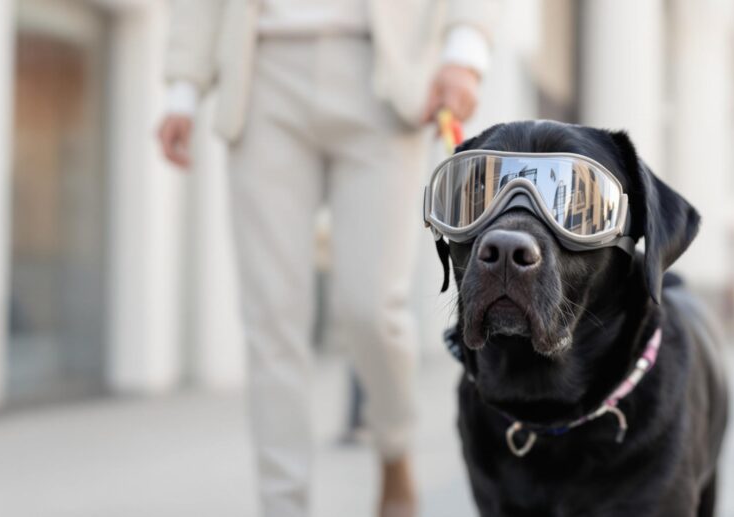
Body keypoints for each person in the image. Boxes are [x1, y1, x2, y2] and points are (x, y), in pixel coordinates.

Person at [156, 2, 497, 516]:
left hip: (382, 72)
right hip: (261, 72)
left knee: (373, 308)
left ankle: (393, 446)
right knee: (271, 318)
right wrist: (183, 87)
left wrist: (464, 50)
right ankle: (283, 504)